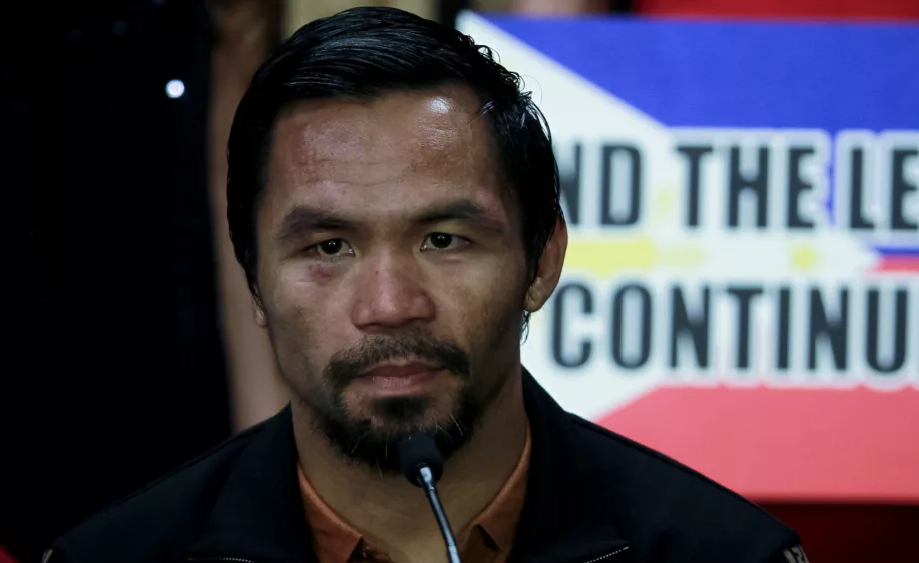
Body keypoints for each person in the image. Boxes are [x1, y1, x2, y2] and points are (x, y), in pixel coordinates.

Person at [45, 7, 805, 563]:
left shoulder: (723, 552)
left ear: (542, 260)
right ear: (253, 280)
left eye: (443, 239)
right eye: (330, 246)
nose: (389, 305)